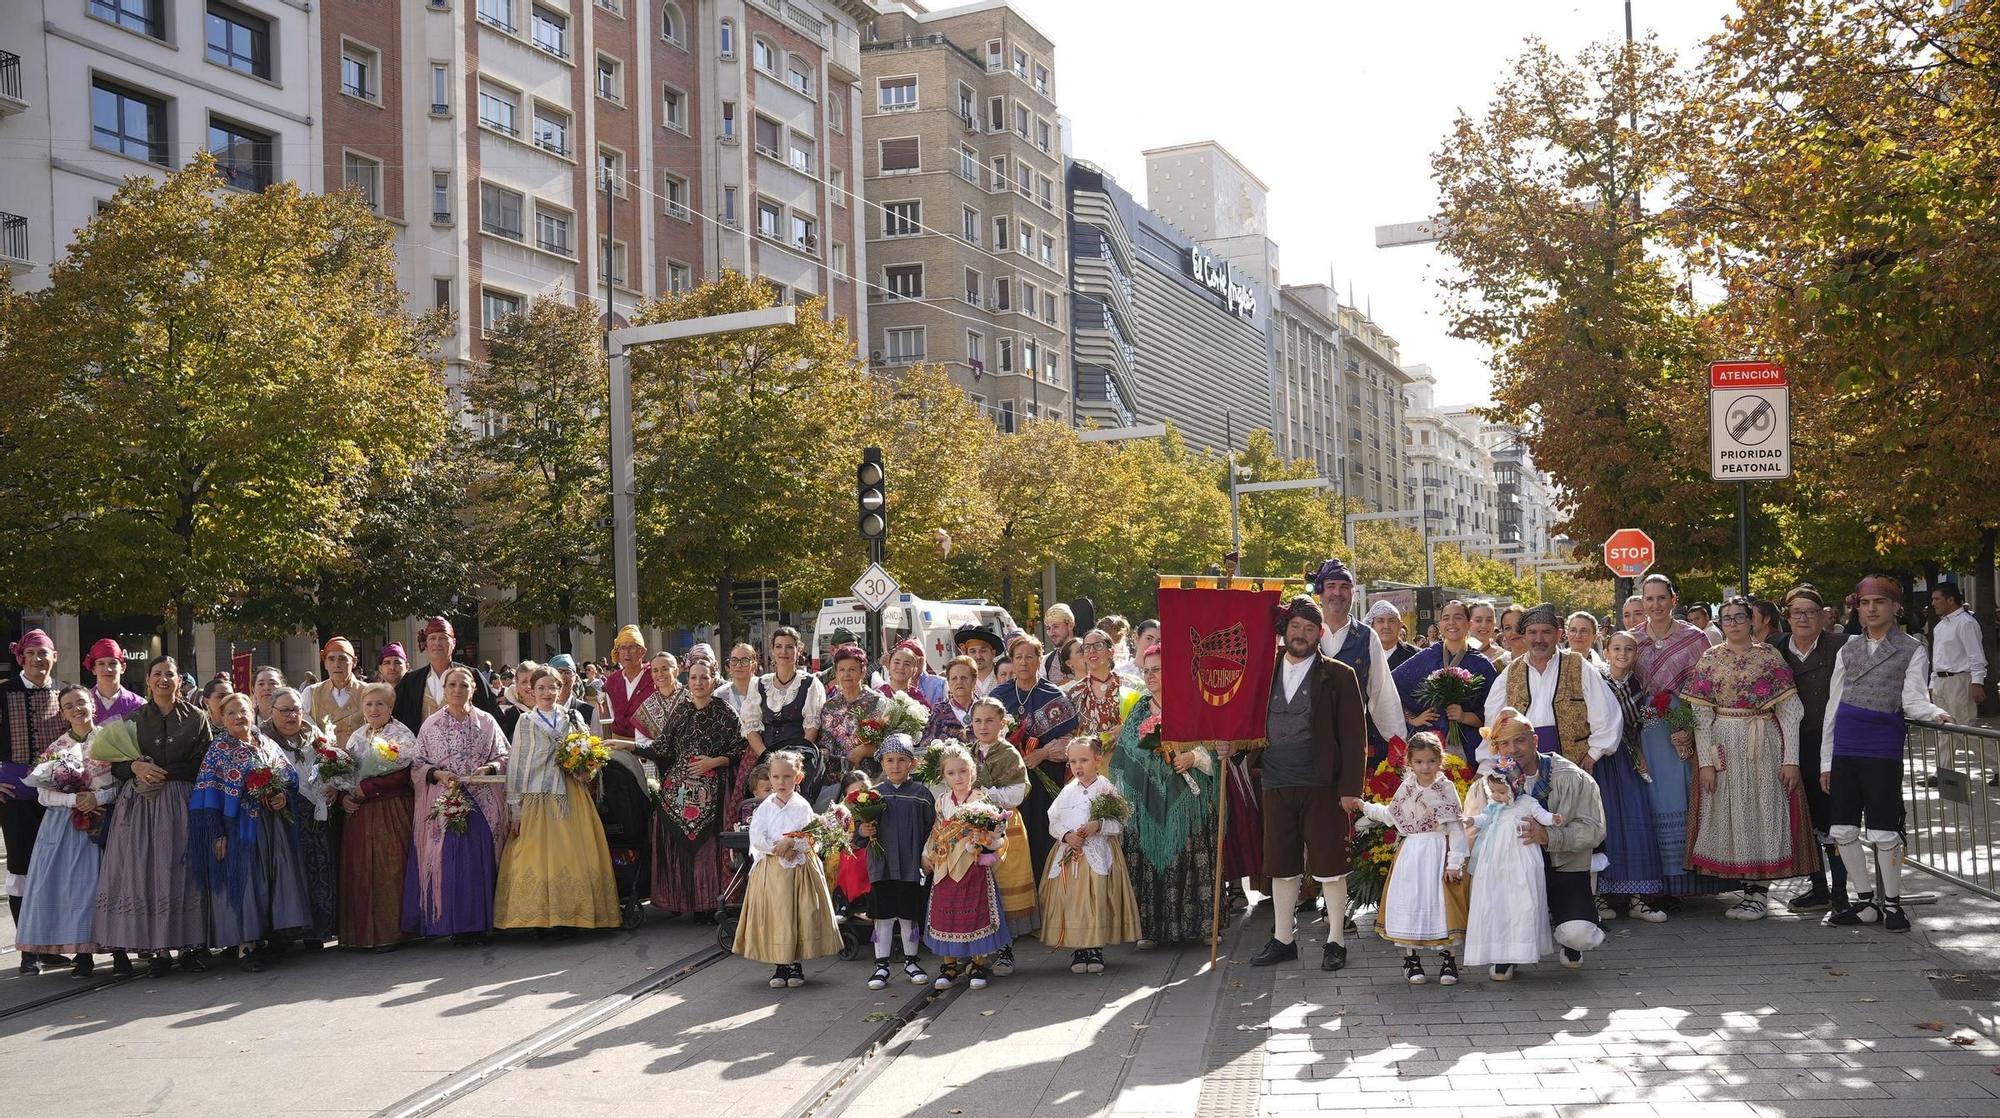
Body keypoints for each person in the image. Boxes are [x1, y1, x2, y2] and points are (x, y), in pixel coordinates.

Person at [1820, 577, 1951, 932]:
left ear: (1896, 607)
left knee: (1883, 829)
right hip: (1845, 744)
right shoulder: (1847, 650)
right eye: (1865, 603)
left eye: (1879, 602)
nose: (1872, 609)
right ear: (1858, 609)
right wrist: (1826, 760)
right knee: (1842, 828)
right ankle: (1865, 902)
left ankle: (1892, 904)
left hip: (1881, 746)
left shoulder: (1912, 648)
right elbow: (1833, 705)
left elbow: (1913, 698)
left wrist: (1934, 712)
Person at [1251, 594, 1367, 972]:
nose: (1301, 634)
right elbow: (1245, 721)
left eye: (1310, 628)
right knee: (1281, 864)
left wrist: (1350, 790)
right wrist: (1230, 746)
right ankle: (1284, 939)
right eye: (1295, 626)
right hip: (1274, 781)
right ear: (1285, 629)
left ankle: (1335, 940)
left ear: (1320, 634)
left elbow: (1354, 737)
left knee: (1330, 864)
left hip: (1323, 785)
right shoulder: (1262, 671)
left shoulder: (1339, 675)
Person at [1679, 596, 1814, 921]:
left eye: (1739, 617)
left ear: (1752, 620)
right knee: (1732, 811)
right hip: (1724, 740)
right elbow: (1700, 714)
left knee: (1762, 807)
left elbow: (1790, 710)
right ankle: (1746, 888)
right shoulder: (1710, 658)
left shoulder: (1768, 656)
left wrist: (1791, 759)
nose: (1733, 623)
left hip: (1763, 740)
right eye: (1727, 618)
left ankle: (1758, 893)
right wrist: (1706, 762)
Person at [1463, 708, 1607, 977]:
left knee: (1579, 934)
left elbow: (1594, 831)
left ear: (1535, 740)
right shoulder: (1488, 785)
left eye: (1520, 740)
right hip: (1511, 873)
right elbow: (1472, 833)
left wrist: (1549, 836)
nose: (1512, 749)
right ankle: (1508, 951)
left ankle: (1569, 936)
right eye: (1504, 743)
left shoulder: (1572, 777)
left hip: (1562, 866)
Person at [93, 657, 212, 977]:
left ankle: (190, 947)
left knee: (183, 870)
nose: (163, 679)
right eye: (157, 674)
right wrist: (135, 766)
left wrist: (164, 772)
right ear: (147, 679)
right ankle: (157, 950)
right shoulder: (133, 718)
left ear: (179, 681)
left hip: (182, 801)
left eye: (169, 674)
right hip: (141, 806)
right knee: (147, 872)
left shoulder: (197, 717)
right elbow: (116, 765)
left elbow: (204, 763)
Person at [187, 692, 312, 972]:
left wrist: (281, 795)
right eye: (230, 713)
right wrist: (217, 833)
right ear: (221, 718)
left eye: (243, 710)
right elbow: (208, 793)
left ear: (253, 712)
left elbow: (288, 775)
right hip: (238, 827)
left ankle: (270, 938)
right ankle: (247, 947)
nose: (238, 717)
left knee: (272, 879)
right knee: (246, 882)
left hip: (271, 825)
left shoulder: (265, 741)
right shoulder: (219, 749)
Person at [495, 666, 620, 933]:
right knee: (535, 856)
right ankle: (540, 919)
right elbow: (517, 764)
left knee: (573, 854)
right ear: (531, 691)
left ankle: (573, 916)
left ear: (560, 689)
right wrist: (515, 808)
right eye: (541, 688)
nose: (547, 693)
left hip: (571, 794)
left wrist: (586, 769)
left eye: (552, 687)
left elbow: (590, 751)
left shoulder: (573, 717)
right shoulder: (526, 721)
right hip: (537, 795)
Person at [1108, 642, 1216, 949]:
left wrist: (1193, 757)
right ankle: (1151, 929)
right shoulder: (1140, 709)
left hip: (1188, 800)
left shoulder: (1193, 704)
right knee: (1147, 857)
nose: (1151, 676)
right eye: (1146, 671)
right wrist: (1152, 758)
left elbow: (1214, 747)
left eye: (1157, 670)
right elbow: (1127, 753)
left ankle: (1201, 926)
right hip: (1148, 801)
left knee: (1191, 854)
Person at [1633, 573, 1729, 900]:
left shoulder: (1694, 638)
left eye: (1662, 598)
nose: (1655, 605)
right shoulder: (1633, 639)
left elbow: (1708, 687)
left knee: (1684, 795)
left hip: (1687, 730)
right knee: (1654, 798)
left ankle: (1692, 878)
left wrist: (1688, 728)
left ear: (1673, 600)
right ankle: (1659, 883)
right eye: (1649, 599)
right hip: (1647, 733)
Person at [18, 686, 125, 976]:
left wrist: (98, 798)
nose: (77, 709)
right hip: (67, 827)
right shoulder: (57, 748)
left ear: (92, 704)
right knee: (77, 891)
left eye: (81, 702)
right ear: (63, 713)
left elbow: (124, 783)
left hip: (107, 821)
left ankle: (119, 952)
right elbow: (42, 794)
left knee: (112, 886)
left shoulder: (111, 739)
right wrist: (74, 800)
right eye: (69, 706)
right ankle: (83, 954)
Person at [1351, 733, 1468, 985]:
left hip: (1438, 850)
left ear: (1440, 760)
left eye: (1431, 761)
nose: (1425, 767)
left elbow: (1456, 828)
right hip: (1412, 852)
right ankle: (1411, 959)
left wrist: (1454, 863)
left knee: (1442, 904)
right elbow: (1391, 815)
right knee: (1411, 901)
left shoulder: (1446, 788)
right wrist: (1365, 807)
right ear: (1410, 762)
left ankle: (1449, 960)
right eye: (1419, 762)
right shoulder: (1407, 788)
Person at [406, 665, 509, 942]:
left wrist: (488, 769)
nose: (457, 690)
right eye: (452, 685)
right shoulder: (431, 724)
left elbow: (504, 755)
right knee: (449, 861)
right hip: (445, 801)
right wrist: (438, 774)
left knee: (479, 860)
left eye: (464, 685)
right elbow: (417, 763)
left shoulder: (487, 721)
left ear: (473, 689)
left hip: (482, 801)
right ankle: (452, 924)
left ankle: (481, 923)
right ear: (444, 689)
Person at [636, 658, 742, 919]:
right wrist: (628, 747)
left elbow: (739, 749)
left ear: (713, 680)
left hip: (713, 789)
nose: (698, 683)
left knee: (708, 847)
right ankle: (683, 901)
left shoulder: (725, 712)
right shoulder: (681, 711)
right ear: (688, 680)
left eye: (704, 677)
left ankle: (708, 904)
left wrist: (714, 762)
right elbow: (663, 748)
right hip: (678, 792)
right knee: (668, 829)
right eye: (693, 677)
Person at [734, 750, 841, 988]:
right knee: (777, 914)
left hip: (798, 870)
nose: (781, 782)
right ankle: (780, 965)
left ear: (798, 778)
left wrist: (794, 843)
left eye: (787, 777)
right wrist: (778, 847)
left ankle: (795, 964)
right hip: (772, 870)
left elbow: (811, 836)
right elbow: (756, 836)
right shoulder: (765, 808)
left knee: (798, 914)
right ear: (770, 778)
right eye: (776, 777)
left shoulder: (802, 806)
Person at [1774, 586, 1850, 912]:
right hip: (1792, 744)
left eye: (1811, 612)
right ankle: (1819, 888)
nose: (1804, 618)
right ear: (1787, 617)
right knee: (1803, 818)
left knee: (1835, 817)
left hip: (1832, 743)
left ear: (1823, 616)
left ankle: (1842, 891)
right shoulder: (1775, 648)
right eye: (1797, 612)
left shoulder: (1842, 646)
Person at [1041, 736, 1141, 974]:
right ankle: (1079, 947)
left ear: (1097, 761)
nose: (1078, 766)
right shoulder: (1068, 791)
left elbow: (1120, 821)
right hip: (1071, 853)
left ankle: (1094, 947)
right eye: (1073, 761)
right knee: (1073, 900)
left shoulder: (1106, 789)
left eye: (1084, 760)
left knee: (1096, 898)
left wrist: (1099, 825)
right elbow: (1053, 820)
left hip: (1097, 853)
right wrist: (1066, 835)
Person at [991, 633, 1082, 885]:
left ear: (1039, 660)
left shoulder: (1052, 695)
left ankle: (1044, 889)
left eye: (1029, 657)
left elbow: (1070, 738)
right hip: (1008, 779)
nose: (1023, 662)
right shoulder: (999, 694)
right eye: (1018, 657)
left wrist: (1041, 753)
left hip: (1043, 779)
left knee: (1041, 835)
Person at [1461, 748, 1556, 979]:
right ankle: (1499, 952)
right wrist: (1471, 820)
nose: (1496, 796)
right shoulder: (1494, 806)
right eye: (1493, 791)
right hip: (1494, 860)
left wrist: (1553, 819)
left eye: (1501, 792)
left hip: (1520, 858)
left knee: (1520, 901)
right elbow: (1484, 818)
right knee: (1497, 901)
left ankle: (1519, 950)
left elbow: (1541, 814)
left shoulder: (1527, 802)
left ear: (1515, 786)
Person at [922, 744, 1011, 990]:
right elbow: (936, 831)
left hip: (972, 865)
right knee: (945, 912)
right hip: (944, 866)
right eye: (951, 773)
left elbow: (998, 834)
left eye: (962, 771)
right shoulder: (942, 801)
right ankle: (949, 966)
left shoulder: (981, 800)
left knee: (976, 911)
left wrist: (986, 841)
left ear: (972, 772)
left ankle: (978, 963)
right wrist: (926, 855)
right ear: (944, 775)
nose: (958, 777)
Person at [1309, 559, 1411, 762]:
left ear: (1353, 593)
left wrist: (1399, 744)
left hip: (1349, 742)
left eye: (1344, 587)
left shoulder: (1367, 637)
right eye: (1331, 586)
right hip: (1306, 741)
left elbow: (1382, 694)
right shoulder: (1303, 632)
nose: (1337, 592)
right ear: (1320, 591)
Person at [339, 682, 416, 950]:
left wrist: (369, 788)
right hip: (360, 814)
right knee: (361, 870)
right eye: (369, 704)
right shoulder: (357, 736)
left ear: (391, 707)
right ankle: (360, 935)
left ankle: (392, 933)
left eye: (380, 704)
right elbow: (345, 772)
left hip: (390, 810)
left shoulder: (401, 734)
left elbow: (404, 773)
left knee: (389, 870)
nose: (374, 709)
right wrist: (344, 796)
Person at [2, 628, 67, 942]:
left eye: (43, 653)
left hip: (57, 795)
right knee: (21, 868)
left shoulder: (66, 693)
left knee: (56, 867)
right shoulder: (4, 692)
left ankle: (52, 942)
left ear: (54, 656)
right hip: (15, 796)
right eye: (31, 653)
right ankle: (28, 945)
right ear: (20, 658)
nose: (37, 659)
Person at [1597, 632, 1668, 922]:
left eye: (1628, 649)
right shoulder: (1596, 681)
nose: (1622, 654)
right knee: (1605, 822)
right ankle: (1599, 896)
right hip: (1602, 758)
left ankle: (1639, 898)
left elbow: (1638, 724)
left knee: (1636, 820)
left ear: (1636, 654)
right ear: (1606, 652)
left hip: (1629, 757)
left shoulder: (1639, 684)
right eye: (1616, 648)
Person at [262, 687, 341, 946]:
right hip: (284, 818)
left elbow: (330, 765)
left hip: (317, 814)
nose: (291, 716)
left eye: (296, 710)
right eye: (284, 711)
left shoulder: (312, 733)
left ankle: (320, 929)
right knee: (293, 873)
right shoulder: (263, 739)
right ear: (271, 711)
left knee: (321, 867)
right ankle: (290, 933)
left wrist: (333, 785)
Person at [860, 734, 937, 989]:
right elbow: (857, 831)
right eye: (890, 760)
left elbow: (931, 829)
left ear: (912, 763)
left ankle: (911, 961)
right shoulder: (871, 796)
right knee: (883, 917)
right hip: (881, 866)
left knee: (908, 916)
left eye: (902, 760)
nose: (895, 766)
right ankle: (881, 965)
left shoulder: (921, 795)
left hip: (910, 866)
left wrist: (927, 855)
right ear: (881, 763)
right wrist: (863, 830)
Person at [967, 696, 1036, 968]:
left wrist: (984, 794)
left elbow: (1017, 792)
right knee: (979, 886)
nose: (983, 726)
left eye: (989, 720)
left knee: (1004, 886)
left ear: (1002, 723)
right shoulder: (969, 753)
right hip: (974, 827)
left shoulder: (1008, 754)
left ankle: (1006, 950)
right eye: (978, 721)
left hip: (1004, 825)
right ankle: (980, 949)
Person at [1393, 599, 1498, 767]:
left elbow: (1493, 715)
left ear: (1469, 623)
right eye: (1446, 618)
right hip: (1429, 746)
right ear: (1440, 625)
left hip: (1470, 747)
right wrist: (1412, 719)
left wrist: (1464, 716)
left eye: (1458, 617)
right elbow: (1391, 686)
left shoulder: (1482, 665)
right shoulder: (1426, 657)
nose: (1451, 623)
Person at [738, 627, 825, 805]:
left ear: (798, 650)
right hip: (763, 756)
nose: (783, 652)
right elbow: (751, 727)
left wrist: (792, 763)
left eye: (789, 647)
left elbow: (812, 727)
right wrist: (767, 759)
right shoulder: (759, 684)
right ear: (772, 650)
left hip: (799, 759)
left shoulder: (810, 684)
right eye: (778, 646)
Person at [395, 617, 501, 732]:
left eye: (443, 638)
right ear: (426, 644)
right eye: (432, 638)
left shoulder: (471, 676)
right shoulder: (411, 681)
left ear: (453, 643)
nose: (437, 643)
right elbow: (394, 720)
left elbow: (494, 718)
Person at [1927, 581, 1987, 782]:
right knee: (1943, 729)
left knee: (1964, 729)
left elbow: (1975, 655)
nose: (1933, 603)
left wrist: (1977, 682)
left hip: (1960, 680)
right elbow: (1938, 657)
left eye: (1937, 599)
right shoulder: (1940, 626)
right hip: (1942, 681)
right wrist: (1932, 684)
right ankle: (1943, 772)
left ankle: (1997, 763)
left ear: (1950, 599)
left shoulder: (1966, 623)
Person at [819, 645, 892, 787]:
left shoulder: (878, 703)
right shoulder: (829, 706)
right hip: (835, 782)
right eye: (842, 670)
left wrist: (865, 750)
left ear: (863, 671)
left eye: (852, 669)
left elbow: (890, 743)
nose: (846, 674)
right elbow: (824, 743)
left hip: (871, 779)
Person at [301, 637, 369, 745]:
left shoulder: (368, 692)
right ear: (325, 664)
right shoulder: (311, 693)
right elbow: (304, 729)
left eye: (342, 659)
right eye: (331, 659)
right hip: (323, 754)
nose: (336, 664)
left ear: (354, 662)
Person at [599, 625, 657, 743]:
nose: (627, 652)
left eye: (632, 647)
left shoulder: (655, 676)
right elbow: (612, 713)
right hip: (619, 744)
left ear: (642, 651)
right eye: (623, 648)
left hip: (648, 744)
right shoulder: (612, 681)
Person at [627, 651, 685, 746]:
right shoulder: (648, 705)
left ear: (676, 671)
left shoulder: (690, 699)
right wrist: (661, 745)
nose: (660, 674)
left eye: (665, 669)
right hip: (657, 754)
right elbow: (641, 741)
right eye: (655, 670)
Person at [919, 656, 979, 746]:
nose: (959, 682)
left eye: (964, 678)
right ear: (949, 682)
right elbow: (926, 745)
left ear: (974, 680)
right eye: (954, 678)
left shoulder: (986, 708)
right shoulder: (939, 711)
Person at [84, 638, 143, 725]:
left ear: (123, 668)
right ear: (93, 669)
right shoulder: (83, 703)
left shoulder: (138, 705)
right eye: (101, 664)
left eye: (113, 663)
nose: (107, 669)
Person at [880, 639, 945, 709]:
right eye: (896, 662)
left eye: (907, 664)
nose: (901, 667)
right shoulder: (879, 694)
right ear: (889, 665)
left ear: (914, 670)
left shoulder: (919, 700)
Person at [955, 627, 1006, 698]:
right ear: (967, 654)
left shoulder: (1005, 678)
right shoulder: (960, 681)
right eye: (973, 651)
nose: (978, 656)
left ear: (993, 653)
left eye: (983, 651)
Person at [1369, 601, 1420, 670]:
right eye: (1380, 621)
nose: (1386, 626)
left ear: (1400, 625)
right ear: (1372, 626)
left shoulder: (1416, 656)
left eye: (1391, 621)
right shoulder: (1362, 655)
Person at [1042, 604, 1077, 687]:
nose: (1051, 633)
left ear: (1070, 625)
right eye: (1048, 628)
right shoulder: (1046, 662)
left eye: (1055, 627)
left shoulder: (1088, 654)